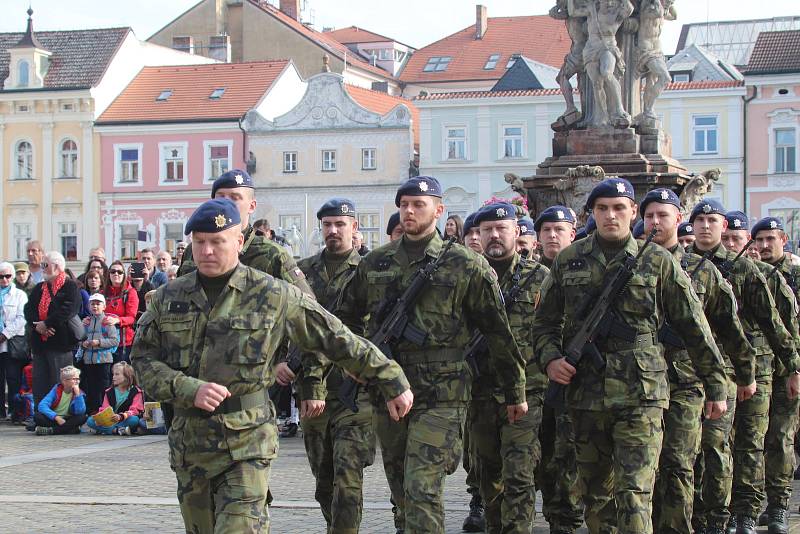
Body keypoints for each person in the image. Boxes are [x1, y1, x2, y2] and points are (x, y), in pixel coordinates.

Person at [131, 197, 413, 533]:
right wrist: (186, 388)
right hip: (190, 447)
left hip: (247, 442)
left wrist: (390, 377)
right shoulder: (167, 298)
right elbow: (143, 360)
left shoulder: (272, 294)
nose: (206, 251)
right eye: (199, 242)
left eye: (217, 242)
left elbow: (335, 337)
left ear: (239, 241)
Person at [531, 178, 728, 534]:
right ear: (590, 213)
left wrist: (716, 385)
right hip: (585, 392)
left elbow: (693, 324)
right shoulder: (569, 260)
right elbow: (543, 323)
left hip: (642, 392)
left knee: (634, 491)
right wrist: (550, 359)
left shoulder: (656, 260)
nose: (611, 216)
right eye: (602, 209)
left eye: (619, 208)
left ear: (633, 212)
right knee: (596, 495)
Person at [337, 176, 527, 533]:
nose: (409, 211)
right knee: (402, 492)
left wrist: (514, 391)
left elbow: (497, 332)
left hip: (443, 393)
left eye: (418, 204)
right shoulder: (375, 263)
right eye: (404, 204)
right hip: (388, 391)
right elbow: (344, 317)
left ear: (439, 211)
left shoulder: (466, 264)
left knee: (422, 488)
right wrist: (357, 360)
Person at [639, 190, 754, 534]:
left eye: (663, 215)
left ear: (678, 219)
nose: (656, 222)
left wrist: (742, 376)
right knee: (641, 467)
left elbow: (729, 329)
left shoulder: (701, 271)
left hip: (686, 383)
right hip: (638, 384)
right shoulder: (627, 268)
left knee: (677, 462)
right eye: (649, 216)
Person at [688, 201, 800, 534]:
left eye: (713, 220)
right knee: (698, 450)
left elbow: (775, 324)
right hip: (689, 373)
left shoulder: (749, 271)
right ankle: (700, 514)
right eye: (700, 220)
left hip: (746, 371)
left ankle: (745, 512)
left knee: (749, 444)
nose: (706, 226)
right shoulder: (678, 265)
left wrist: (793, 366)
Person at [279, 198, 374, 532]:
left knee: (348, 480)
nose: (333, 231)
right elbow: (283, 322)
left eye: (340, 224)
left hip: (355, 390)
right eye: (327, 225)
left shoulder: (370, 270)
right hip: (310, 389)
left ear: (354, 228)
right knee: (324, 482)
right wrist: (280, 360)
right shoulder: (302, 271)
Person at [469, 202, 550, 533]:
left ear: (517, 232)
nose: (494, 235)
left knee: (519, 474)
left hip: (528, 393)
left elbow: (556, 329)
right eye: (486, 230)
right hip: (480, 391)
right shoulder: (467, 277)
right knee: (489, 473)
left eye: (501, 228)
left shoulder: (540, 278)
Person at [178, 169, 313, 296]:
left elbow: (307, 308)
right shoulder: (194, 251)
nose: (226, 203)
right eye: (221, 197)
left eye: (234, 197)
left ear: (252, 206)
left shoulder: (273, 255)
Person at [532, 205, 584, 534]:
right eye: (547, 229)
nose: (553, 235)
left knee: (572, 452)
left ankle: (568, 517)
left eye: (559, 229)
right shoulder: (529, 275)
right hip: (537, 381)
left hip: (578, 379)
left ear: (572, 235)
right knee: (544, 452)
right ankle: (554, 513)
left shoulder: (586, 272)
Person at [752, 216, 800, 533]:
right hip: (757, 369)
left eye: (771, 239)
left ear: (783, 239)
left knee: (781, 440)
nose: (766, 245)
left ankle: (780, 506)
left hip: (788, 371)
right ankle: (751, 506)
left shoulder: (796, 274)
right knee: (754, 442)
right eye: (760, 240)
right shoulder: (751, 273)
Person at [23, 251, 81, 412]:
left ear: (56, 266)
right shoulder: (39, 288)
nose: (42, 268)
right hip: (40, 344)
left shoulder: (70, 286)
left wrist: (47, 324)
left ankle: (61, 414)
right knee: (39, 381)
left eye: (45, 265)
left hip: (60, 343)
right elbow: (28, 309)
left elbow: (68, 309)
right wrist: (37, 326)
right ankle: (40, 415)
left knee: (60, 382)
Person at [78, 293, 120, 415]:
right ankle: (93, 410)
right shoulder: (86, 322)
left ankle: (105, 409)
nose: (95, 306)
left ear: (104, 306)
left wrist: (98, 342)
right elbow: (79, 338)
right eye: (92, 304)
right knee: (91, 387)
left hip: (104, 359)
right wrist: (83, 343)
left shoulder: (107, 322)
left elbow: (115, 340)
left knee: (104, 387)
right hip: (88, 360)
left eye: (98, 303)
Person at [0, 261, 28, 420]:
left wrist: (4, 334)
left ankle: (15, 411)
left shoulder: (20, 295)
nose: (4, 279)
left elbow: (22, 318)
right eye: (1, 276)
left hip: (12, 343)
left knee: (13, 378)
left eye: (7, 276)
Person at [87, 362, 143, 436]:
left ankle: (104, 430)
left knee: (134, 420)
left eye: (117, 374)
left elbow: (134, 410)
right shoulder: (109, 391)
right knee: (90, 420)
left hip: (124, 419)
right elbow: (104, 408)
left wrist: (121, 416)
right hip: (110, 420)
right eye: (113, 374)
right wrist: (100, 418)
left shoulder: (136, 391)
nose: (113, 377)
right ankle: (116, 430)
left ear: (127, 376)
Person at [103, 260, 139, 367]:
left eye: (119, 272)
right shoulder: (102, 293)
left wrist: (117, 320)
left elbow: (132, 318)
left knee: (122, 375)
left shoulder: (130, 292)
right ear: (108, 274)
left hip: (123, 342)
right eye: (113, 271)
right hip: (105, 341)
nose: (116, 274)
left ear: (124, 275)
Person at [33, 365, 87, 435]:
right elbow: (42, 406)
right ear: (64, 381)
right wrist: (56, 417)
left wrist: (78, 395)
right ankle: (70, 430)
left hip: (67, 420)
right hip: (53, 419)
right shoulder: (56, 390)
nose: (77, 381)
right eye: (74, 379)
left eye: (78, 379)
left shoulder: (79, 393)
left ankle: (51, 430)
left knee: (82, 417)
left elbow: (80, 411)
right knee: (37, 416)